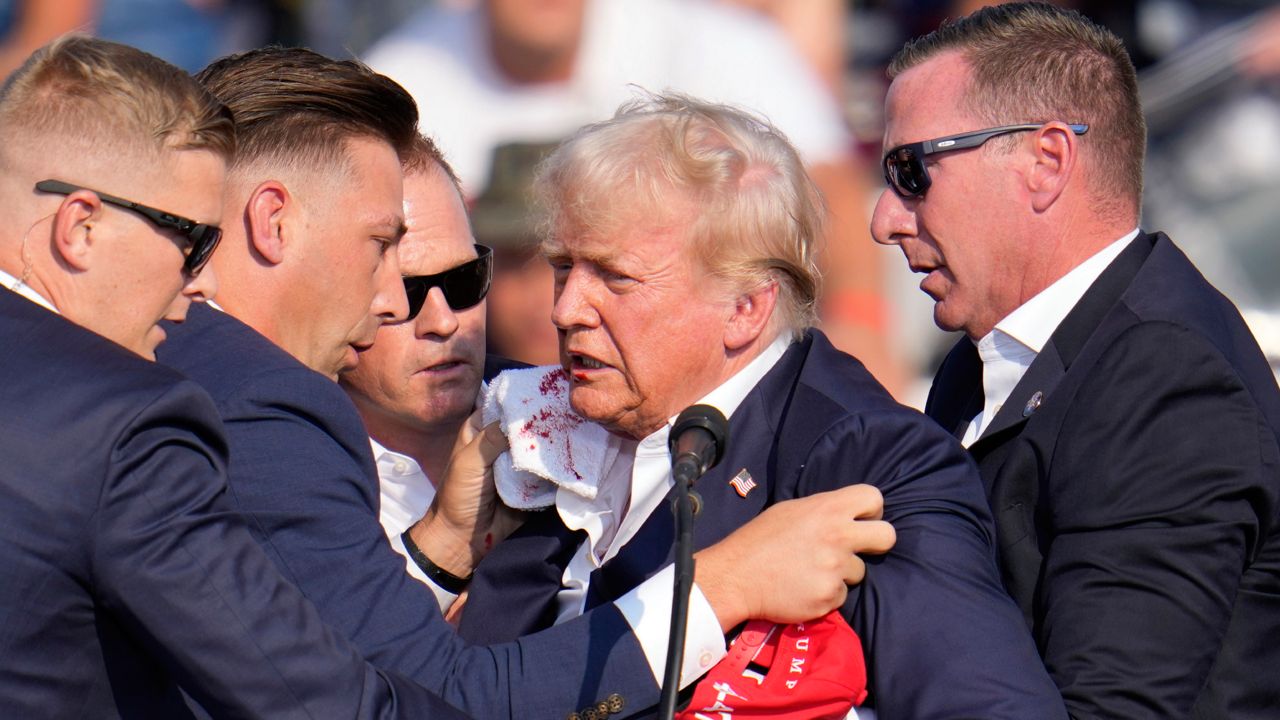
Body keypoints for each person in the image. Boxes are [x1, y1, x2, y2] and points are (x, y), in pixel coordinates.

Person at [156, 46, 891, 718]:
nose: (394, 302)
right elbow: (438, 696)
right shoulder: (259, 408)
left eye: (464, 277)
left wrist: (444, 542)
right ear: (273, 221)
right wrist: (724, 586)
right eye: (382, 250)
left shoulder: (193, 370)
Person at [455, 91, 1067, 719]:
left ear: (745, 308)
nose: (565, 309)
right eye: (563, 266)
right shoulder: (527, 415)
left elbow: (992, 708)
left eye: (615, 277)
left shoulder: (866, 459)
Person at [0, 34, 462, 718]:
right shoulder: (121, 427)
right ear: (81, 228)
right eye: (192, 239)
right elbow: (318, 702)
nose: (204, 279)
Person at [871, 3, 1280, 717]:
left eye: (911, 170)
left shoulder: (1167, 380)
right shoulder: (987, 361)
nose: (885, 219)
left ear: (1046, 161)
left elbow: (1112, 708)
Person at [364, 0, 901, 393]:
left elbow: (819, 183)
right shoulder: (401, 78)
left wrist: (858, 318)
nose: (561, 302)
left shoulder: (710, 40)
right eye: (546, 263)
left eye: (609, 270)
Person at [340, 133, 520, 557]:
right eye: (406, 290)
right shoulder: (276, 468)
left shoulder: (573, 421)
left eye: (465, 279)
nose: (442, 322)